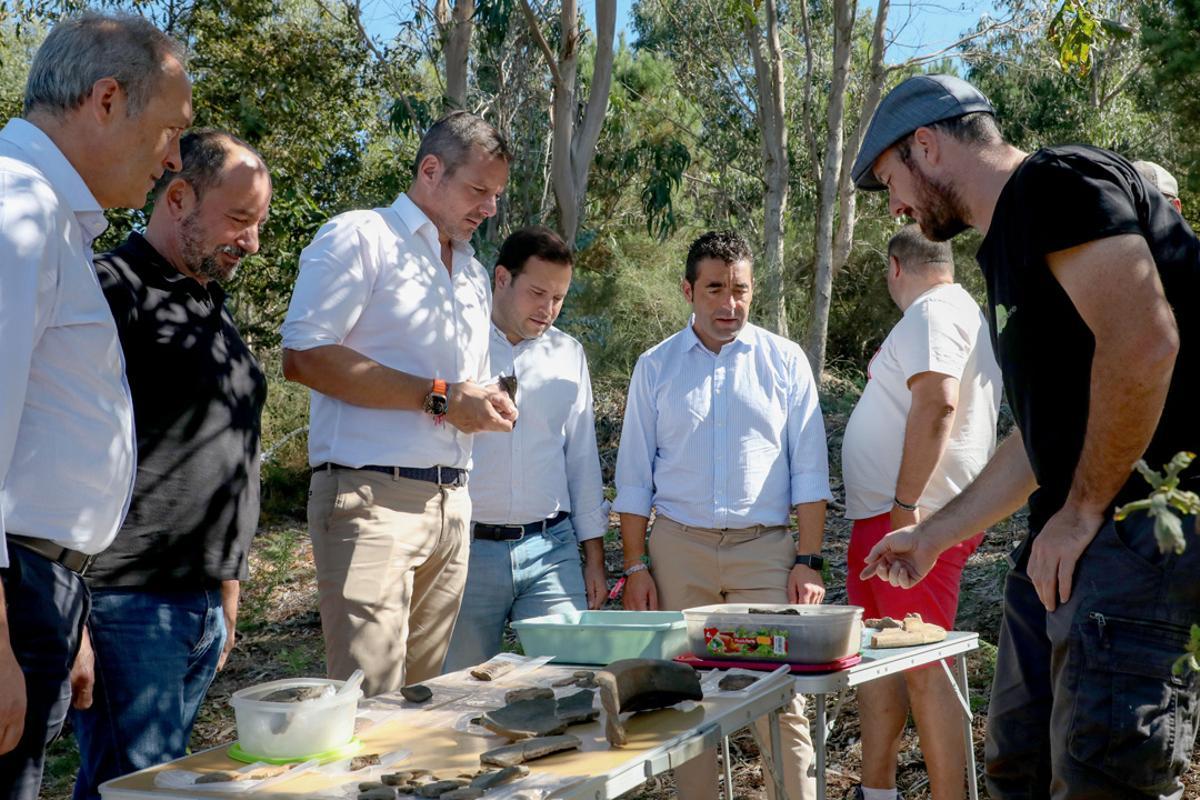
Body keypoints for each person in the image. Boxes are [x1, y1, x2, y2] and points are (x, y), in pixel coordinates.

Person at [851, 73, 1200, 799]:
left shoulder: (1054, 184)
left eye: (892, 182)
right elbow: (1041, 441)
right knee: (1019, 767)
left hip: (1138, 536)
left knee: (1104, 777)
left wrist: (1079, 514)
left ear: (927, 145)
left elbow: (1145, 345)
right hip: (1061, 553)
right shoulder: (1011, 242)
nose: (899, 207)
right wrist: (934, 534)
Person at [0, 12, 191, 798]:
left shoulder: (47, 215)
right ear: (107, 99)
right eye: (171, 129)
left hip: (39, 586)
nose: (175, 156)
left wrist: (62, 612)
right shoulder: (18, 210)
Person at [281, 111, 517, 696]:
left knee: (421, 703)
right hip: (371, 502)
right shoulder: (360, 236)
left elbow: (466, 387)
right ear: (430, 171)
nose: (489, 208)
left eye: (496, 195)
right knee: (366, 706)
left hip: (453, 507)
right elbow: (303, 356)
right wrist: (439, 398)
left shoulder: (472, 273)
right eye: (478, 191)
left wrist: (487, 405)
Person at [70, 130, 271, 800]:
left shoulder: (209, 304)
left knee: (145, 786)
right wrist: (74, 615)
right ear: (178, 197)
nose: (251, 242)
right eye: (240, 220)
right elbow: (55, 458)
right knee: (140, 792)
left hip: (201, 602)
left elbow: (227, 451)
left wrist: (228, 588)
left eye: (259, 225)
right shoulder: (104, 292)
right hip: (125, 602)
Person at [614, 230, 831, 800]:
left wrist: (809, 560)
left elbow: (809, 471)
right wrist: (635, 568)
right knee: (685, 705)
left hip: (765, 553)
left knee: (782, 700)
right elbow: (634, 479)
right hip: (677, 552)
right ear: (689, 290)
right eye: (715, 288)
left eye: (740, 290)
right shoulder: (655, 367)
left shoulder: (785, 362)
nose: (729, 305)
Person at [841, 225, 1001, 800]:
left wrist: (905, 510)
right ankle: (877, 790)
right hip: (890, 519)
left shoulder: (936, 311)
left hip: (916, 521)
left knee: (926, 666)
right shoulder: (950, 312)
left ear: (894, 266)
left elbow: (937, 402)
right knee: (881, 658)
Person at [442, 226, 608, 672]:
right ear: (501, 279)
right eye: (537, 292)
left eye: (558, 298)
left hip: (551, 548)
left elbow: (581, 461)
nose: (548, 309)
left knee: (572, 681)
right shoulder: (457, 348)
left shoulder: (568, 354)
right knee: (458, 694)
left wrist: (594, 558)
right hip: (467, 550)